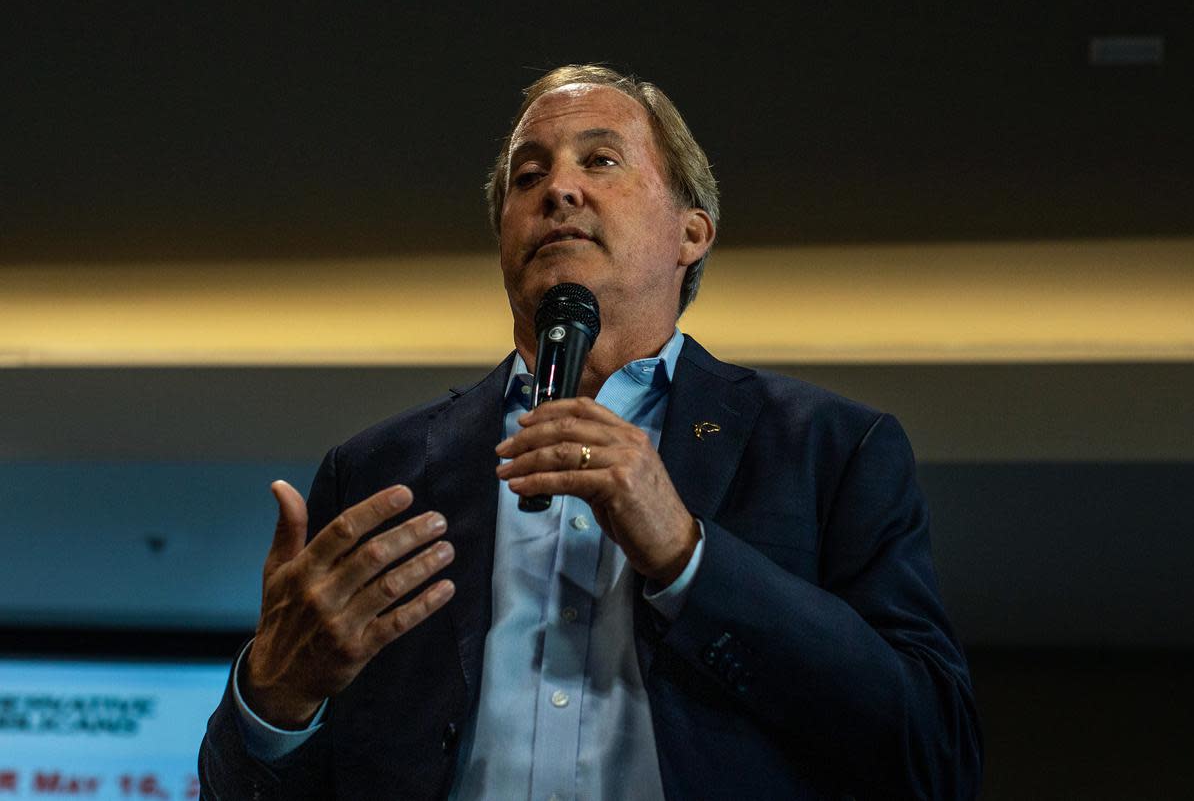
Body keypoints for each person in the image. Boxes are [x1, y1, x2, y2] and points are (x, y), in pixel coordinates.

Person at [199, 64, 982, 800]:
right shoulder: (380, 471)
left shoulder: (830, 450)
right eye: (527, 175)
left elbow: (934, 756)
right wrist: (276, 698)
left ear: (692, 233)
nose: (558, 190)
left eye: (600, 161)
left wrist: (689, 558)